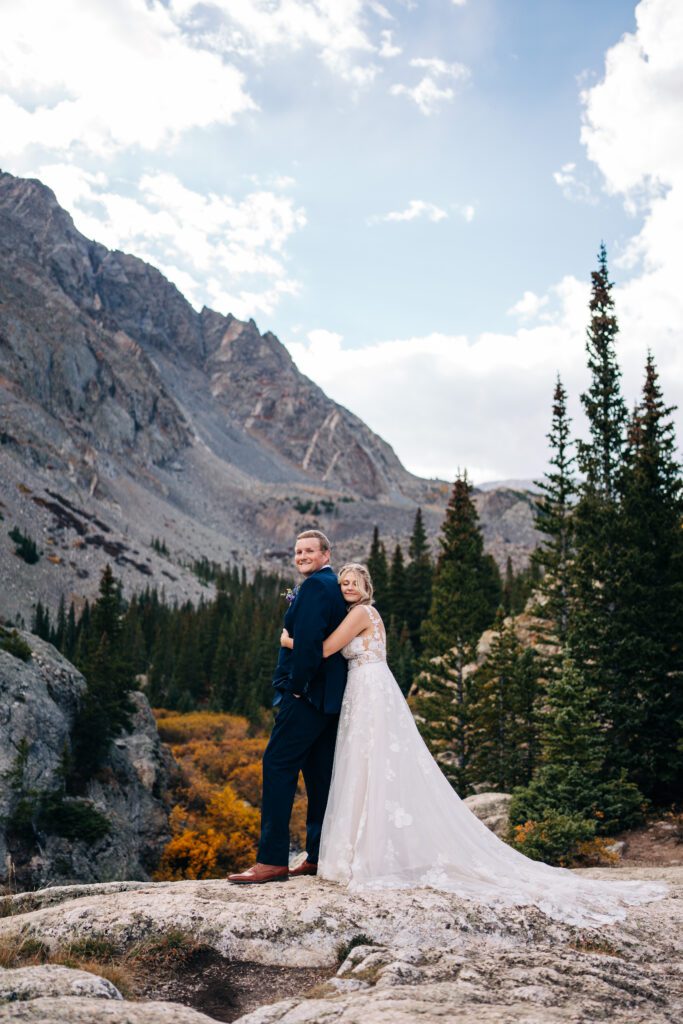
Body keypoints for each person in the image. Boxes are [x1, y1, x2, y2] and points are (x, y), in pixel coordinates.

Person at [280, 562, 666, 925]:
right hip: (373, 689)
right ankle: (372, 846)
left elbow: (325, 649)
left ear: (366, 588)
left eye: (354, 582)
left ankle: (365, 852)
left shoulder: (361, 614)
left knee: (367, 763)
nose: (347, 587)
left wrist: (287, 638)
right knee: (374, 764)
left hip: (366, 692)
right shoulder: (370, 615)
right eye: (343, 581)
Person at [228, 530, 348, 884]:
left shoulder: (314, 588)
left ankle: (272, 860)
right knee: (319, 775)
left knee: (278, 765)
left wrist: (295, 689)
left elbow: (310, 644)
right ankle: (318, 854)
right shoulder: (333, 587)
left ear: (326, 554)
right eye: (298, 551)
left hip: (307, 698)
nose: (302, 556)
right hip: (329, 701)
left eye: (310, 550)